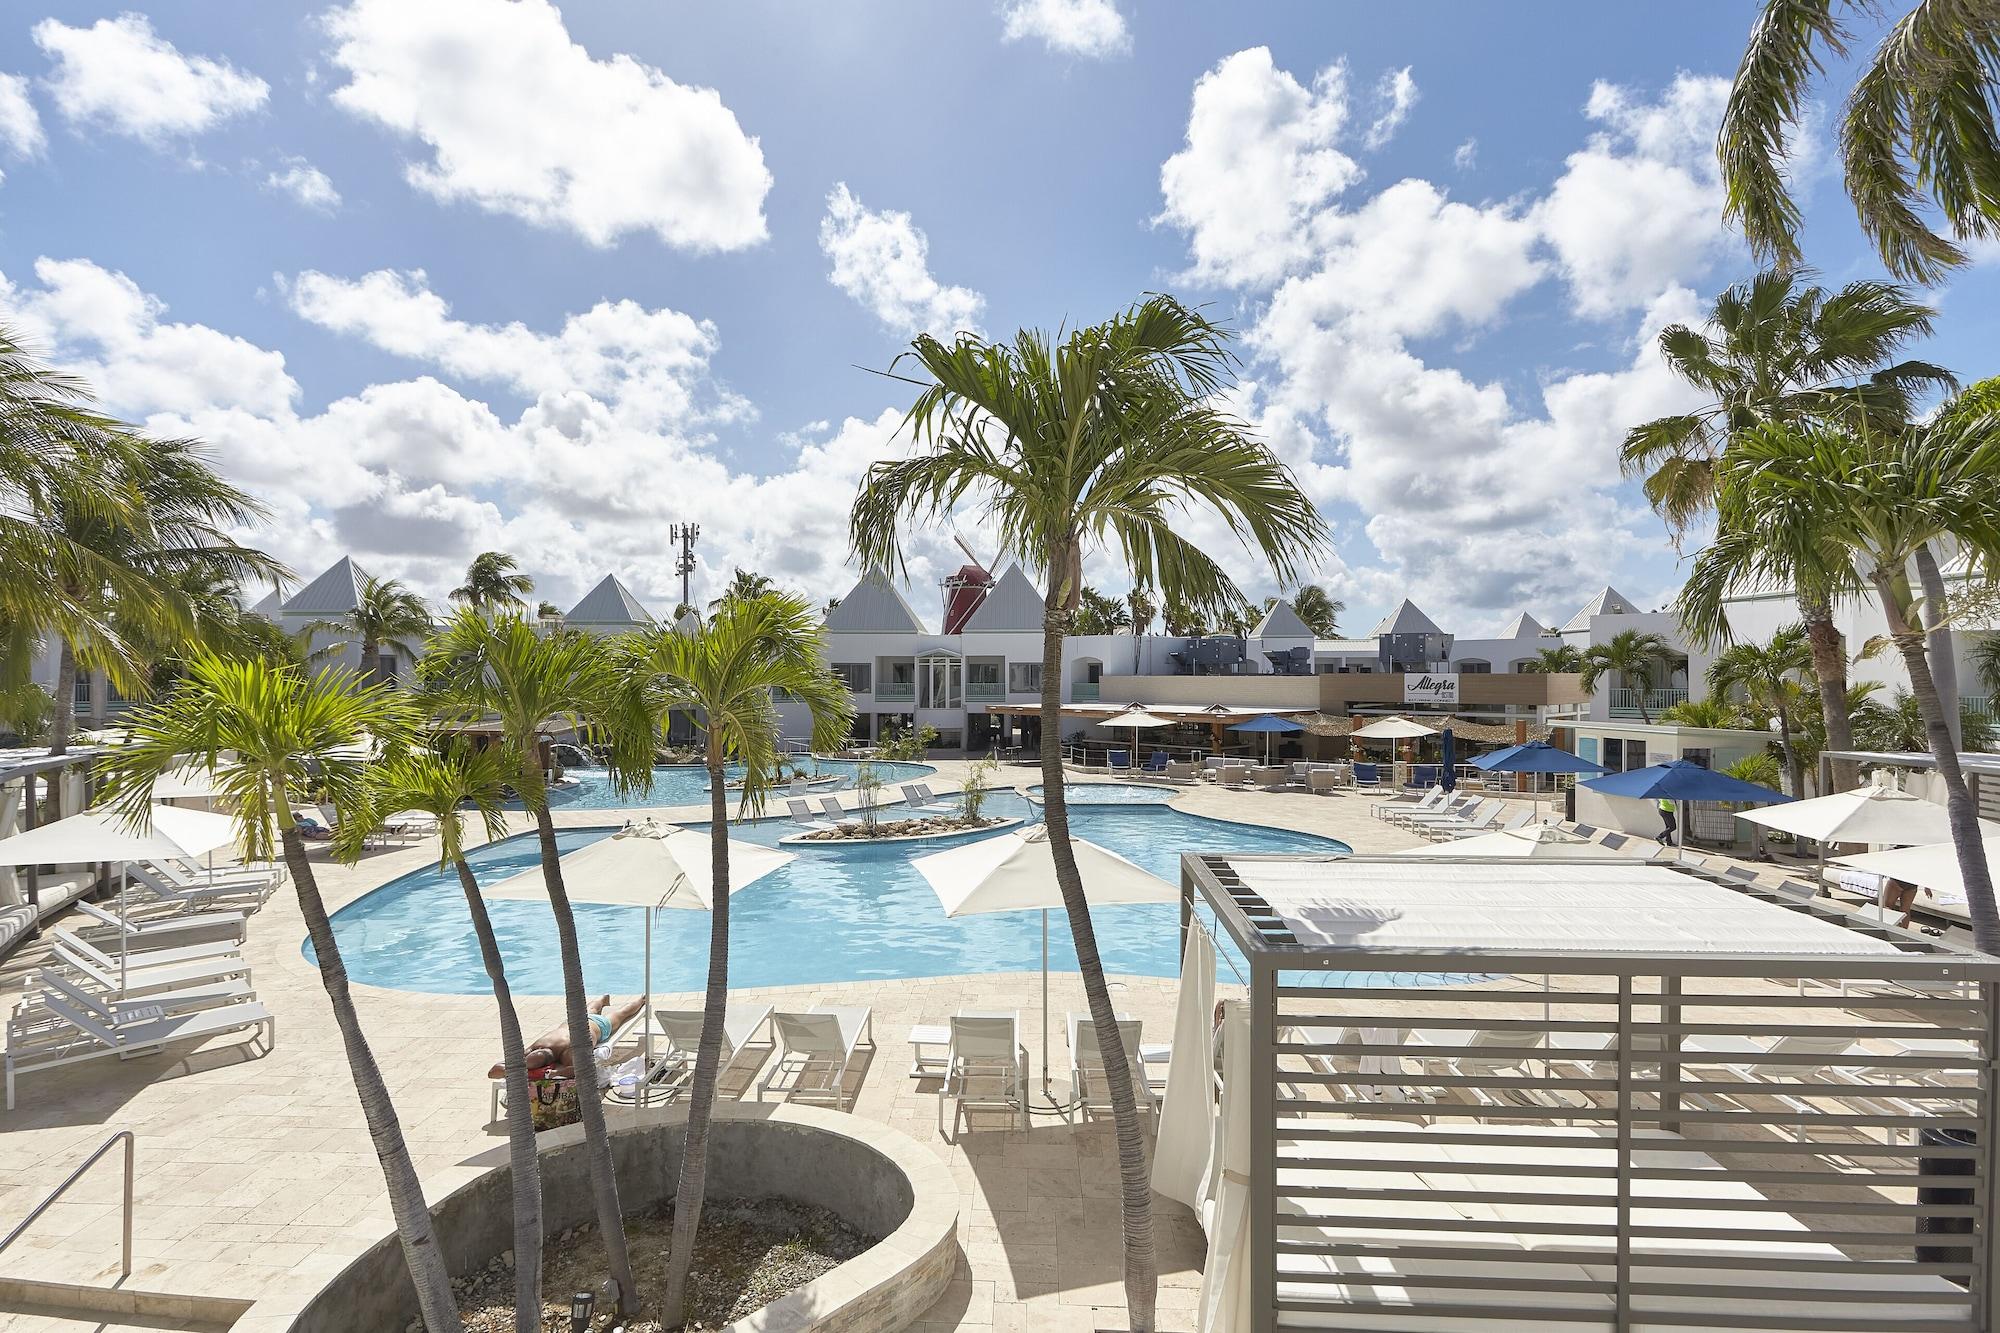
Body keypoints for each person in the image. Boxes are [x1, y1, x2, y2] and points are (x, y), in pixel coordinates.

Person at [490, 994, 643, 1081]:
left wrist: (553, 1074)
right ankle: (603, 999)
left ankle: (640, 1000)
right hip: (574, 1021)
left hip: (598, 1026)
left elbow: (580, 1069)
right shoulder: (539, 1045)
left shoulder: (567, 1053)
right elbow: (493, 1072)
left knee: (622, 1014)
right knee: (593, 1009)